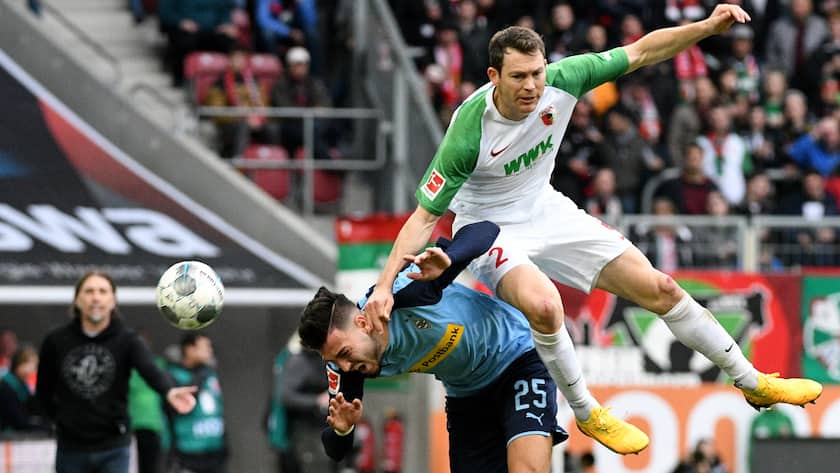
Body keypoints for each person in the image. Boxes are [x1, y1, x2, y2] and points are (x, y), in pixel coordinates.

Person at [362, 4, 823, 456]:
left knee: (660, 288)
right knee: (545, 306)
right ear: (493, 78)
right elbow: (423, 217)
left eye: (537, 73)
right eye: (518, 76)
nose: (531, 86)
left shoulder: (564, 79)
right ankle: (587, 411)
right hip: (488, 228)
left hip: (545, 208)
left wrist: (706, 26)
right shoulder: (470, 129)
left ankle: (752, 381)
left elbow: (642, 51)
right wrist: (385, 286)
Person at [298, 221, 568, 473]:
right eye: (335, 360)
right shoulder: (344, 365)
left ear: (363, 322)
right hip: (467, 393)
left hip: (517, 358)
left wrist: (450, 259)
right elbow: (335, 449)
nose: (345, 367)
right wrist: (343, 430)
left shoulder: (410, 290)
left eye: (345, 354)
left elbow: (484, 231)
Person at [36, 271, 197, 473]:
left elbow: (149, 369)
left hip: (113, 446)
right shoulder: (56, 341)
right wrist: (59, 421)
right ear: (77, 300)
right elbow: (43, 390)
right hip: (71, 448)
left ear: (113, 301)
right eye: (89, 291)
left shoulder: (127, 340)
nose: (96, 297)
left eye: (103, 291)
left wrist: (169, 391)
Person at [167, 334, 227, 473]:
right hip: (188, 452)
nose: (209, 351)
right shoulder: (173, 375)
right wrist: (201, 375)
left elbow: (218, 408)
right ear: (189, 349)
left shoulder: (210, 374)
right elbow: (179, 403)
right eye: (205, 347)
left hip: (215, 450)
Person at [0, 345, 49, 432]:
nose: (35, 369)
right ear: (20, 364)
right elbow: (19, 421)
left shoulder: (23, 386)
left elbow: (34, 410)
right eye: (34, 364)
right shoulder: (6, 386)